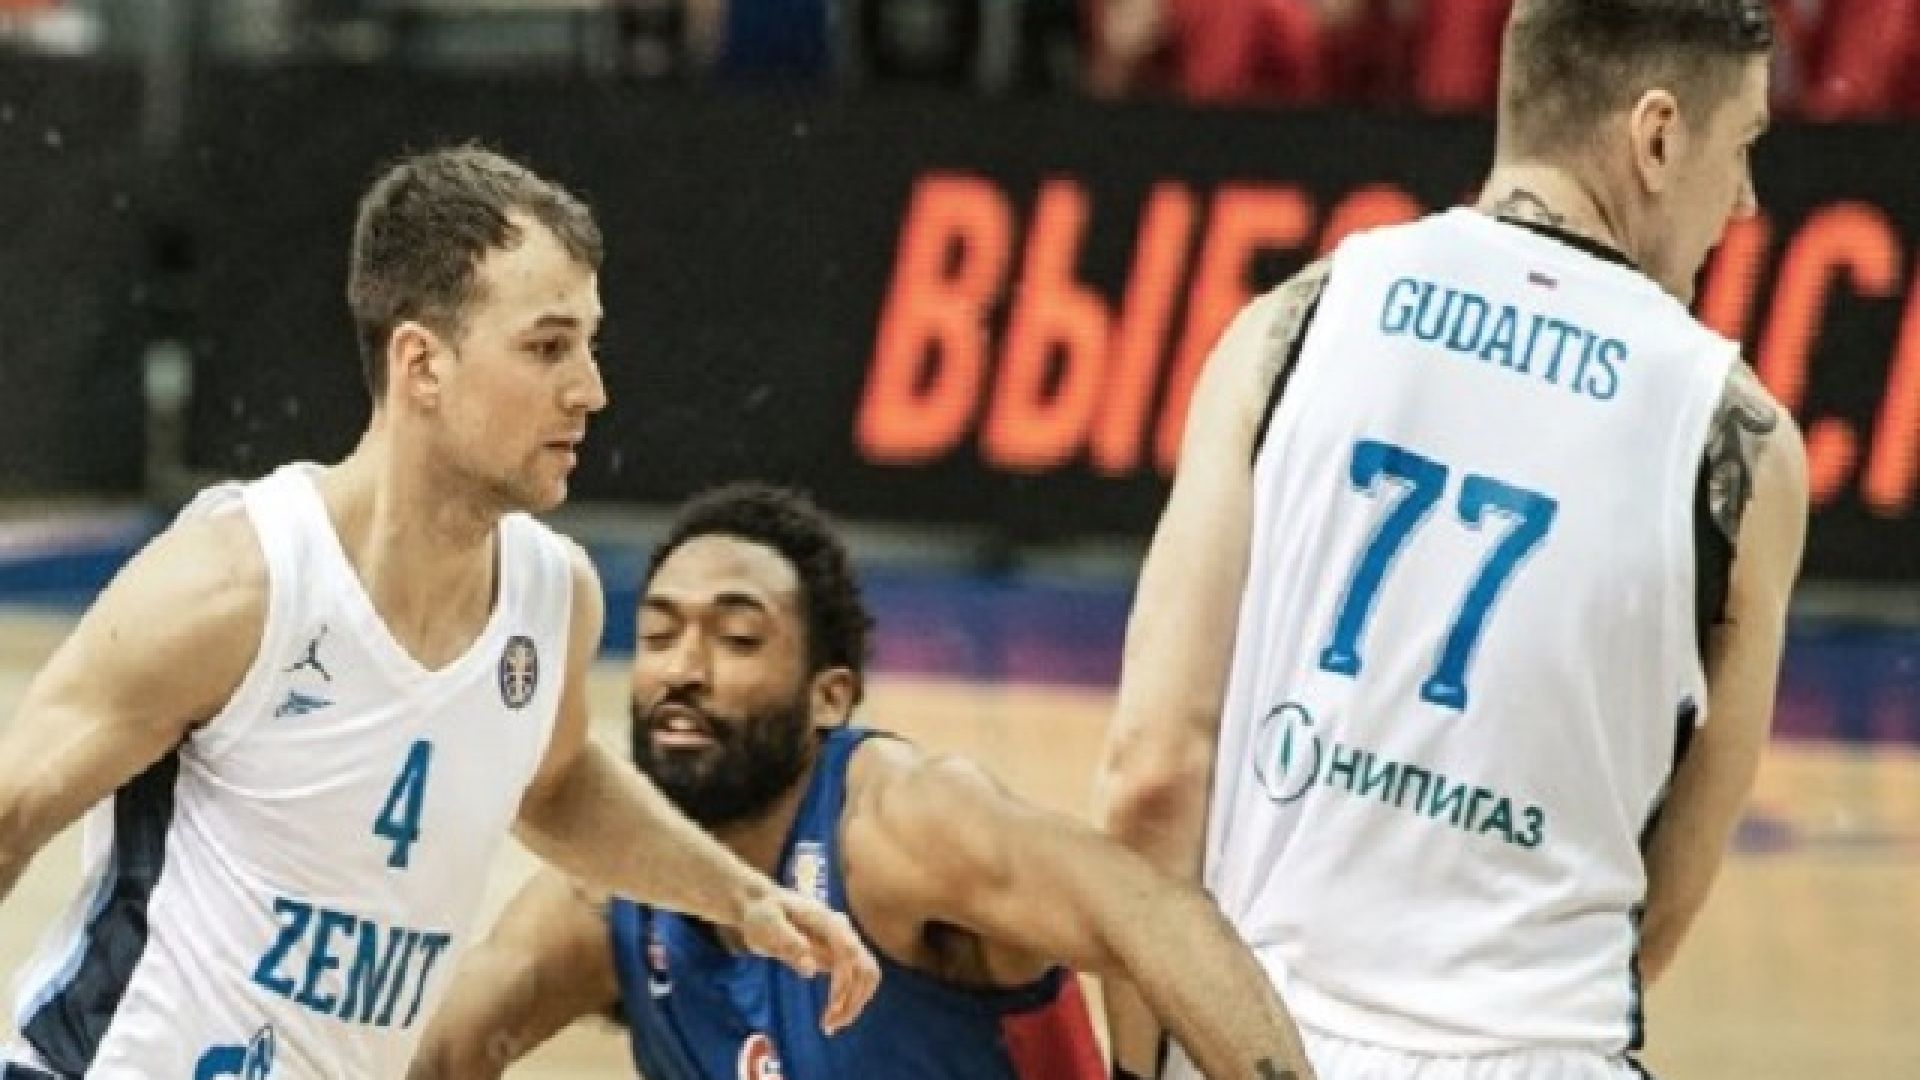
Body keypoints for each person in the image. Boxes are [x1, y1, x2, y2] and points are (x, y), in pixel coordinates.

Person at [0, 147, 875, 1079]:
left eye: (589, 343)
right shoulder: (238, 584)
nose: (591, 389)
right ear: (422, 362)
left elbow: (555, 786)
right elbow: (11, 811)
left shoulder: (552, 597)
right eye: (547, 347)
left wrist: (738, 898)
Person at [1095, 2, 1808, 1077]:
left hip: (1255, 1034)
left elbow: (1151, 776)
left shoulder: (1292, 324)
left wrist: (1149, 1066)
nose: (1745, 200)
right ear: (1658, 137)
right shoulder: (1740, 442)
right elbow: (1656, 911)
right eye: (1743, 143)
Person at [410, 483, 1317, 1080]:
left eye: (737, 638)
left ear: (829, 698)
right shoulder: (607, 896)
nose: (684, 668)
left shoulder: (900, 827)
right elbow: (438, 1055)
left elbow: (1151, 913)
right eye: (657, 635)